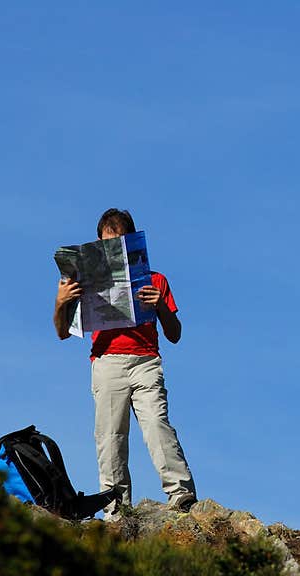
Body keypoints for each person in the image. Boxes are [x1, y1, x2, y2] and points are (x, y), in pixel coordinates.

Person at [53, 208, 197, 517]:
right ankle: (116, 508)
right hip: (106, 363)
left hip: (146, 361)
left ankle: (181, 493)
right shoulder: (84, 284)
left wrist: (160, 307)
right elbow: (63, 333)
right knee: (109, 436)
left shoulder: (155, 280)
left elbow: (175, 334)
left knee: (157, 425)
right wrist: (61, 302)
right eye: (107, 243)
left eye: (118, 241)